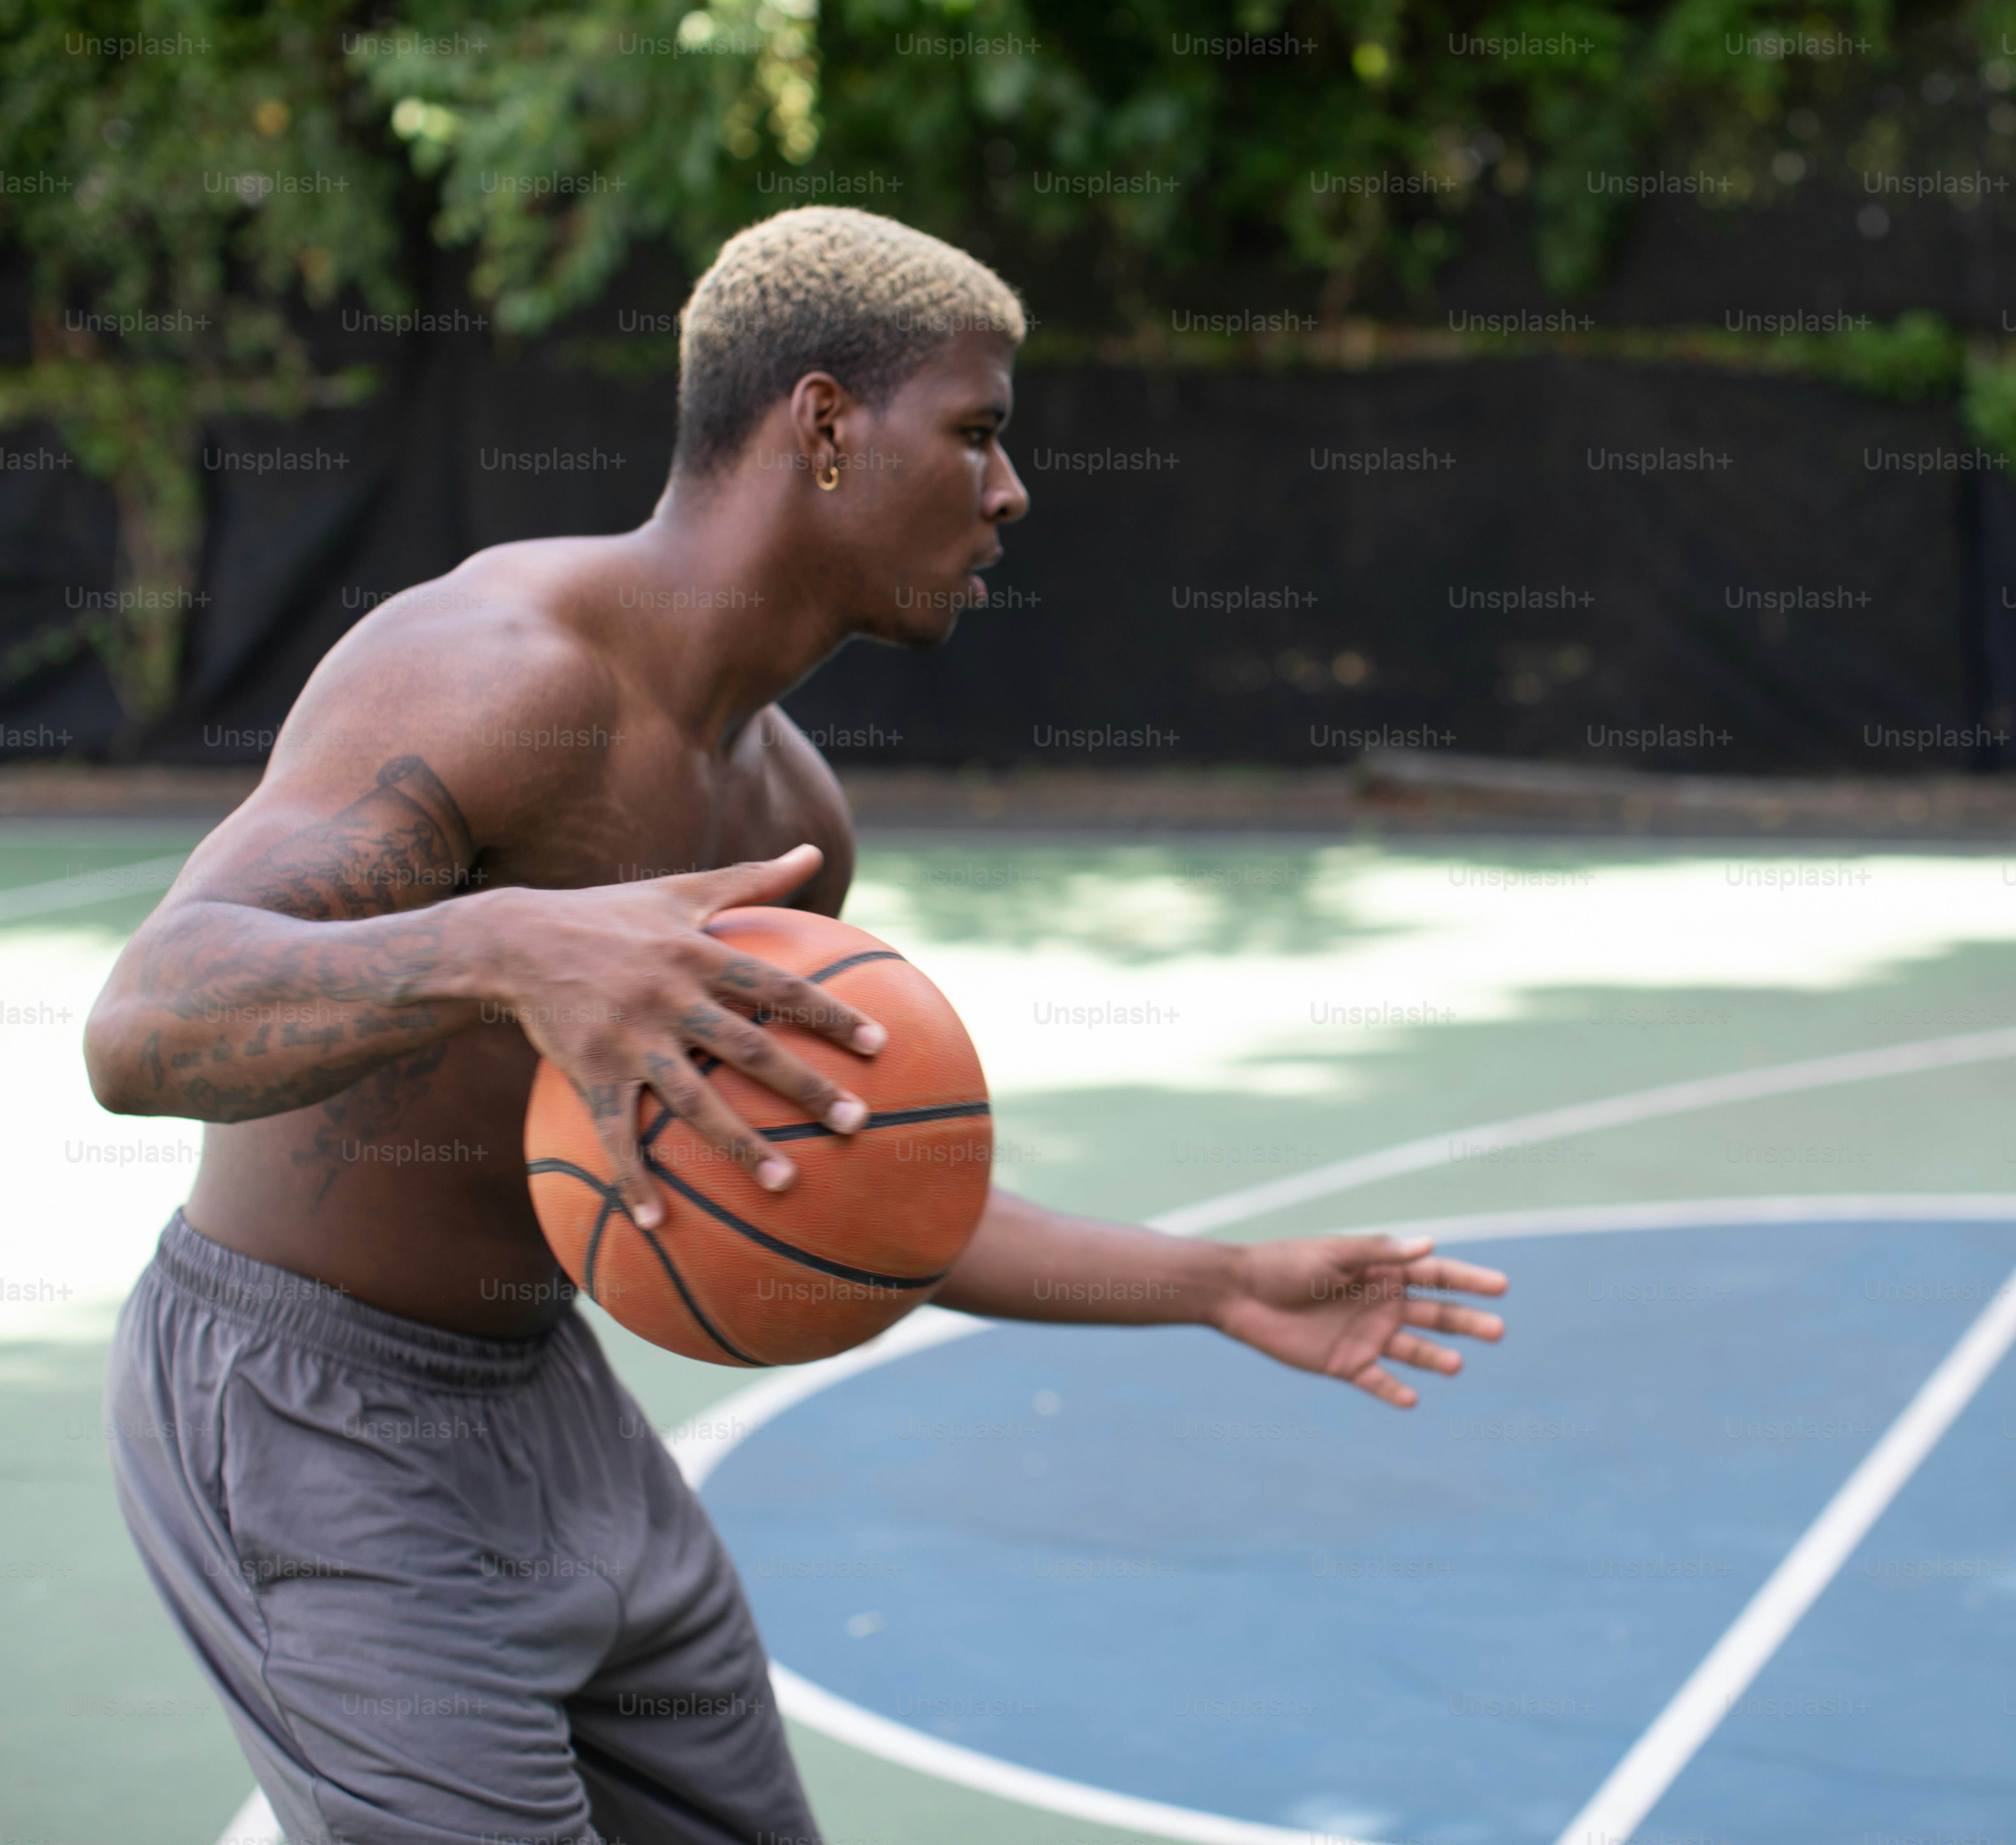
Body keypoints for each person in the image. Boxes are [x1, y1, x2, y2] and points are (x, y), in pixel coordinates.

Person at [83, 206, 1508, 1845]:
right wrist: (504, 942)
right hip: (298, 1398)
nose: (1010, 493)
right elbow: (144, 1022)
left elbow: (850, 1194)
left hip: (540, 1393)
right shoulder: (496, 669)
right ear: (824, 425)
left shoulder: (793, 818)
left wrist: (1216, 1283)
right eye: (975, 435)